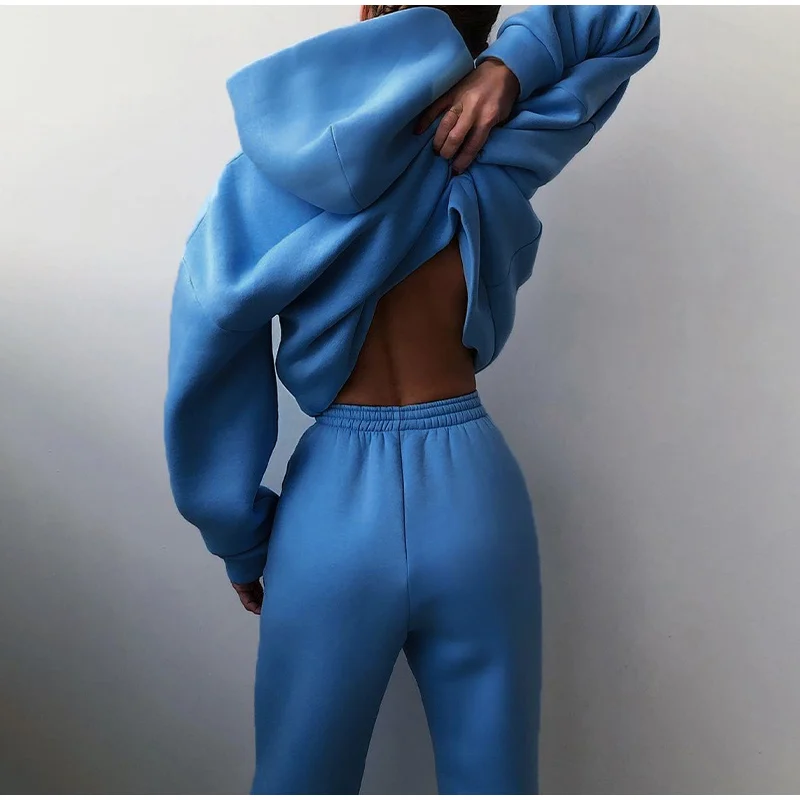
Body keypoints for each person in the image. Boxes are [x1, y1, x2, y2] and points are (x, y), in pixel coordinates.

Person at [164, 5, 660, 793]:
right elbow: (629, 20)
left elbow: (209, 345)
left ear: (368, 13)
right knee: (495, 780)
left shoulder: (264, 175)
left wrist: (241, 537)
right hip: (475, 497)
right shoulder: (496, 143)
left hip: (329, 513)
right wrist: (512, 68)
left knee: (298, 781)